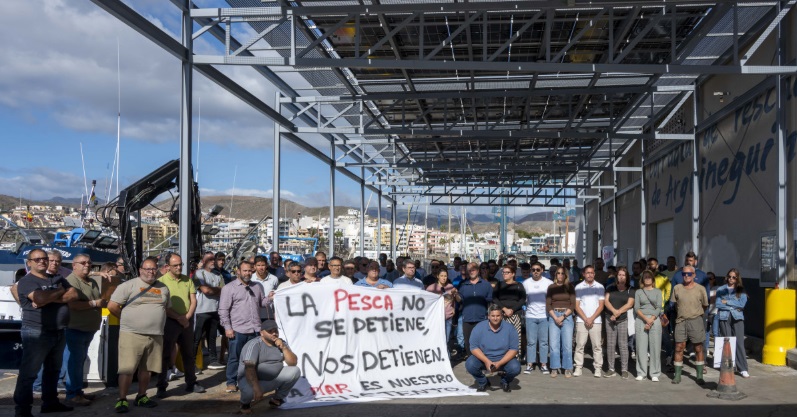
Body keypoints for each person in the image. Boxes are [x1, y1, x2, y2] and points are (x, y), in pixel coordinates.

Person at [13, 249, 78, 417]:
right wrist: (59, 291)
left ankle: (50, 403)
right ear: (29, 263)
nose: (42, 261)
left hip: (59, 330)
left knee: (53, 370)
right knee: (29, 373)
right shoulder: (27, 281)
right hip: (36, 332)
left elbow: (74, 294)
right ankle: (22, 410)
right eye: (37, 259)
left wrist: (49, 297)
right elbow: (39, 299)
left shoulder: (57, 278)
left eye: (44, 258)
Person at [108, 258, 170, 413]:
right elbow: (112, 306)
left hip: (155, 335)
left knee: (147, 369)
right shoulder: (128, 286)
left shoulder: (163, 288)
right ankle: (122, 399)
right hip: (132, 334)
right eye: (147, 269)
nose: (151, 272)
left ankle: (141, 396)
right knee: (127, 369)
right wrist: (127, 319)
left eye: (153, 269)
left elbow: (166, 308)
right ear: (140, 270)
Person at [156, 253, 205, 397]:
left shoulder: (187, 280)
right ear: (167, 266)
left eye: (180, 264)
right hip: (169, 321)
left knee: (188, 354)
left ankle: (191, 383)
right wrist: (179, 318)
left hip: (186, 321)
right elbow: (162, 305)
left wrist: (187, 317)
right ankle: (161, 386)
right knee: (165, 355)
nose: (179, 267)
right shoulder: (161, 282)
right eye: (175, 265)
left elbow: (193, 300)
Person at [219, 261, 271, 393]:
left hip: (255, 329)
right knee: (234, 357)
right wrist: (227, 328)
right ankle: (231, 382)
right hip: (238, 329)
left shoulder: (257, 286)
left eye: (249, 271)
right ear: (238, 271)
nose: (248, 273)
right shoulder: (229, 288)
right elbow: (223, 310)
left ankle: (250, 381)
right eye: (245, 271)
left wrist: (270, 298)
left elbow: (262, 302)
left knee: (253, 359)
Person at [63, 254, 105, 406]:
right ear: (74, 265)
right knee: (75, 362)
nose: (87, 265)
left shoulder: (91, 281)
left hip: (88, 329)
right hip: (75, 328)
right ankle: (72, 394)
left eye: (89, 262)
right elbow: (72, 305)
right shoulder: (70, 281)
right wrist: (94, 304)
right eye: (83, 263)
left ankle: (77, 391)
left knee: (80, 361)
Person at [237, 320, 300, 414]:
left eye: (275, 331)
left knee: (295, 371)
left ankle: (277, 399)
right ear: (262, 333)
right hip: (252, 380)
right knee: (249, 391)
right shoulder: (254, 344)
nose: (274, 333)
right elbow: (249, 368)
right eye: (270, 331)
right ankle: (245, 404)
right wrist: (256, 388)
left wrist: (284, 348)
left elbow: (293, 363)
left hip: (273, 378)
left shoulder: (281, 343)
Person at [466, 304, 521, 393]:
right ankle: (483, 382)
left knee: (515, 368)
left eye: (498, 316)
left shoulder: (510, 328)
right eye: (493, 316)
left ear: (501, 316)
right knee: (470, 364)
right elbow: (473, 347)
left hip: (504, 359)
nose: (495, 318)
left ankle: (505, 381)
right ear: (488, 316)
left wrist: (499, 363)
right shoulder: (479, 327)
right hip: (484, 358)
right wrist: (486, 361)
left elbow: (514, 349)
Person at [671, 265, 709, 385]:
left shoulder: (701, 289)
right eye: (684, 274)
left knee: (698, 348)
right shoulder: (677, 288)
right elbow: (675, 305)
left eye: (689, 274)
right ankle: (677, 375)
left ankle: (699, 376)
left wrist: (695, 314)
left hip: (696, 320)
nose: (686, 276)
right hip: (681, 321)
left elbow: (705, 305)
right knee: (679, 347)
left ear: (694, 275)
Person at [193, 252, 226, 371]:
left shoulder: (218, 275)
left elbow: (224, 291)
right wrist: (216, 290)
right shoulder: (198, 274)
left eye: (213, 259)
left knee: (212, 337)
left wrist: (213, 290)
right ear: (203, 261)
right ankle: (192, 363)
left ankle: (213, 360)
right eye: (209, 259)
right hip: (201, 310)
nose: (212, 261)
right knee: (196, 338)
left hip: (215, 309)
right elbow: (205, 290)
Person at [716, 269, 749, 378]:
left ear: (737, 278)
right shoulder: (721, 289)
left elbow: (742, 304)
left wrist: (727, 302)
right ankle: (729, 366)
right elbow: (718, 304)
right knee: (727, 341)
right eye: (729, 276)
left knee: (739, 343)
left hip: (737, 317)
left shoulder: (741, 290)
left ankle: (743, 368)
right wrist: (733, 306)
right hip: (724, 317)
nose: (731, 279)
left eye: (734, 277)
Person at [603, 266, 635, 379]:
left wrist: (617, 313)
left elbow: (629, 304)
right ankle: (611, 369)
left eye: (623, 275)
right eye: (619, 275)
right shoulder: (610, 288)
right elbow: (606, 301)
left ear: (627, 277)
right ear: (617, 276)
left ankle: (624, 369)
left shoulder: (631, 289)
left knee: (623, 344)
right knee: (611, 344)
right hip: (609, 318)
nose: (621, 277)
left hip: (623, 319)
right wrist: (613, 311)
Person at [573, 265, 604, 377]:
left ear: (594, 274)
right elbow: (577, 305)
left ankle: (598, 368)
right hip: (582, 320)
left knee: (597, 346)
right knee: (580, 345)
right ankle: (578, 367)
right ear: (584, 274)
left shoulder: (600, 287)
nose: (590, 275)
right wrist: (586, 318)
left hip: (596, 320)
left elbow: (601, 306)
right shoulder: (579, 287)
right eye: (588, 273)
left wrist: (591, 318)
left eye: (592, 273)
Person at [522, 262, 552, 375]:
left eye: (538, 270)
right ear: (531, 271)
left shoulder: (548, 283)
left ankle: (543, 364)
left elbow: (551, 299)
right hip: (530, 316)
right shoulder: (526, 283)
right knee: (531, 342)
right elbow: (524, 299)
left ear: (542, 270)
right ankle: (530, 364)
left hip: (544, 316)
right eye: (533, 270)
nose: (535, 272)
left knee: (544, 342)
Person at [546, 266, 575, 378]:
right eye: (558, 273)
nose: (560, 275)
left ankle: (567, 368)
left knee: (567, 344)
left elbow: (572, 304)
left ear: (565, 275)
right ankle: (554, 367)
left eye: (562, 273)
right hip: (553, 315)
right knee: (554, 344)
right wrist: (555, 317)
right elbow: (548, 304)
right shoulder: (551, 287)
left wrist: (563, 316)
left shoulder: (570, 287)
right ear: (555, 275)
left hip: (567, 316)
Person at [459, 262, 493, 357]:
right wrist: (455, 295)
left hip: (482, 318)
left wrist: (490, 317)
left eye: (473, 270)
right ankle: (471, 362)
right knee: (468, 343)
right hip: (467, 318)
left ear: (478, 271)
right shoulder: (463, 285)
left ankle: (483, 361)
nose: (471, 272)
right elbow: (459, 300)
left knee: (482, 343)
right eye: (469, 270)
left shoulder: (486, 285)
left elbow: (490, 302)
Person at [635, 270, 663, 381]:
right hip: (641, 319)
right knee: (640, 347)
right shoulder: (638, 292)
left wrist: (651, 319)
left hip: (654, 319)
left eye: (649, 277)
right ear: (642, 279)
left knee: (655, 347)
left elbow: (659, 307)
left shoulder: (658, 291)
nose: (647, 279)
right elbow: (636, 308)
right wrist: (646, 319)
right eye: (645, 277)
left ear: (653, 279)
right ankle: (641, 372)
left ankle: (654, 373)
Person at [494, 264, 526, 359]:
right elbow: (495, 298)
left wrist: (512, 310)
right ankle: (502, 357)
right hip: (502, 315)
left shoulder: (519, 285)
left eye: (507, 272)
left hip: (515, 315)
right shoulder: (499, 284)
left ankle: (515, 357)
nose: (504, 274)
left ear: (513, 274)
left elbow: (522, 299)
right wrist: (504, 309)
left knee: (515, 337)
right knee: (501, 337)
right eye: (503, 272)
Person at [426, 268, 460, 344]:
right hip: (436, 318)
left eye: (445, 276)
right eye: (441, 276)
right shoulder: (431, 288)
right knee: (436, 340)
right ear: (437, 276)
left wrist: (456, 294)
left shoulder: (450, 286)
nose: (444, 278)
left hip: (447, 317)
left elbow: (457, 300)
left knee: (446, 340)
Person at [251, 255, 279, 321]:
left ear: (266, 266)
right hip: (254, 314)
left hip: (269, 315)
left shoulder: (274, 279)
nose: (261, 268)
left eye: (263, 265)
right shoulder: (251, 279)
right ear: (254, 266)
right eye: (258, 265)